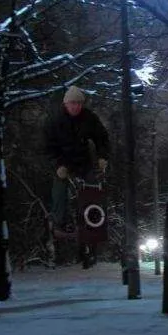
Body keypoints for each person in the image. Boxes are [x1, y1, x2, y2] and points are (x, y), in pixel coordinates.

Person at [44, 85, 110, 232]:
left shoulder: (89, 118)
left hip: (83, 161)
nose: (76, 106)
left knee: (93, 189)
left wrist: (102, 156)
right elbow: (48, 148)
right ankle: (59, 224)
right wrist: (58, 165)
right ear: (66, 104)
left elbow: (102, 138)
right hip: (63, 163)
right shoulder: (55, 121)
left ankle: (92, 222)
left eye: (79, 103)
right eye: (73, 103)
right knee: (60, 190)